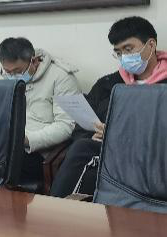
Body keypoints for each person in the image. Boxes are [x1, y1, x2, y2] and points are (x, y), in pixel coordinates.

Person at [51, 16, 167, 197]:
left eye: (128, 49)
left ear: (151, 45)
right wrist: (95, 135)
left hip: (153, 155)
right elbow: (81, 128)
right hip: (108, 155)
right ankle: (59, 209)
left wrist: (118, 136)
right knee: (83, 152)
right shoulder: (107, 84)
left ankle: (57, 208)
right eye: (118, 52)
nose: (124, 57)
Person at [0, 38, 81, 183]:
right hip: (5, 146)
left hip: (40, 152)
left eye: (17, 71)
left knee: (0, 167)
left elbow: (66, 125)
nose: (12, 77)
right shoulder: (2, 78)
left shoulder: (62, 77)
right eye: (8, 72)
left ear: (34, 61)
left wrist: (26, 140)